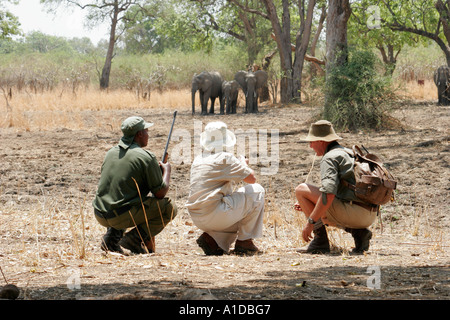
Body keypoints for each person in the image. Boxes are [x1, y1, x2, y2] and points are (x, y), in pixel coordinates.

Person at [92, 116, 177, 254]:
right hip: (119, 216)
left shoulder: (111, 152)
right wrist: (166, 171)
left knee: (125, 199)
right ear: (139, 134)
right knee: (169, 207)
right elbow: (160, 193)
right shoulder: (146, 157)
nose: (148, 135)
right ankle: (134, 239)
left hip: (100, 214)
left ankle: (111, 239)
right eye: (146, 131)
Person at [294, 120, 378, 254]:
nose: (310, 145)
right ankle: (360, 233)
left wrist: (310, 222)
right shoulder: (349, 152)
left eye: (312, 141)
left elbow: (329, 194)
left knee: (301, 190)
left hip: (354, 213)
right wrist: (311, 205)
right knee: (319, 207)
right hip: (370, 214)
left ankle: (320, 243)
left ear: (321, 141)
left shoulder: (330, 157)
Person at [186, 121, 265, 256]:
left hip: (197, 216)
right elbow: (251, 179)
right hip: (214, 213)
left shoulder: (198, 158)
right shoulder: (225, 158)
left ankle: (214, 239)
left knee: (230, 208)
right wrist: (243, 164)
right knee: (257, 191)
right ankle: (244, 242)